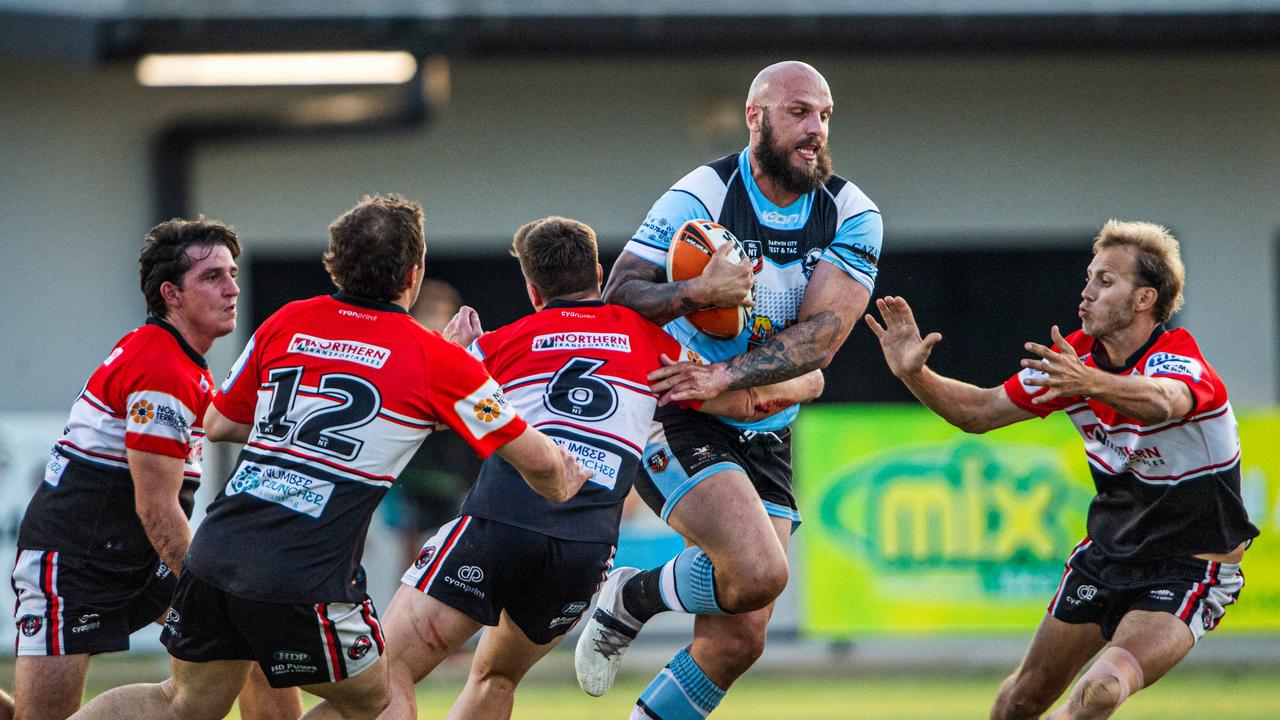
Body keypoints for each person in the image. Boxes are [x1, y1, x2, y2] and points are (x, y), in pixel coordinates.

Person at [70, 195, 590, 720]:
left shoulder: (288, 321)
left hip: (218, 552)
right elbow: (541, 464)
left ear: (335, 263)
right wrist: (565, 483)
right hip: (306, 574)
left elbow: (221, 422)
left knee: (180, 702)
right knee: (379, 698)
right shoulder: (439, 359)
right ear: (414, 271)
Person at [376, 216, 822, 720]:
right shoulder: (647, 342)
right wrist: (805, 380)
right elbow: (746, 402)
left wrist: (454, 355)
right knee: (496, 677)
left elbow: (422, 414)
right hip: (583, 554)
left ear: (533, 290)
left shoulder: (501, 344)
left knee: (390, 670)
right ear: (600, 273)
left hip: (501, 525)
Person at [576, 60, 883, 720]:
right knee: (761, 573)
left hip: (761, 425)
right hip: (678, 412)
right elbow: (619, 297)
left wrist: (729, 377)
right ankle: (633, 596)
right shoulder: (701, 195)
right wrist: (697, 293)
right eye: (799, 112)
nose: (816, 129)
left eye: (825, 115)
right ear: (756, 117)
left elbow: (821, 338)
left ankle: (635, 598)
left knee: (741, 635)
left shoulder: (852, 214)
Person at [864, 220, 1257, 720]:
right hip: (1109, 554)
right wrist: (914, 374)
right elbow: (980, 412)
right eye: (1090, 277)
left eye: (1106, 281)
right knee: (1018, 701)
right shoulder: (1074, 363)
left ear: (1144, 299)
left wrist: (1088, 382)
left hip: (1191, 567)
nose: (1086, 291)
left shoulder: (1174, 358)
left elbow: (1162, 403)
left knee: (1100, 692)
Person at [11, 218, 300, 720]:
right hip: (75, 561)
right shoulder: (161, 368)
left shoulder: (181, 360)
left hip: (135, 556)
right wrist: (206, 586)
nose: (232, 289)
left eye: (232, 273)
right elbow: (156, 506)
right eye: (212, 277)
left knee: (247, 643)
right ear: (172, 294)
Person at [383, 280, 482, 575]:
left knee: (451, 564)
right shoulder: (403, 358)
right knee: (408, 565)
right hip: (410, 481)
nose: (438, 321)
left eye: (445, 314)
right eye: (431, 313)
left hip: (457, 482)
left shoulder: (471, 360)